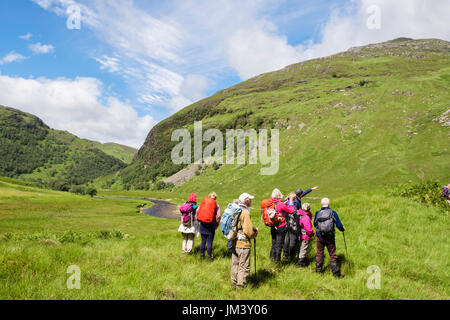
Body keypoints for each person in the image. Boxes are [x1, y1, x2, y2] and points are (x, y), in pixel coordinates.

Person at [282, 186, 319, 262]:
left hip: (288, 223)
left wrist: (312, 189)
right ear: (300, 194)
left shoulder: (294, 198)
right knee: (292, 239)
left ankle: (285, 254)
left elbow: (304, 193)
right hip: (294, 221)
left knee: (287, 238)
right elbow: (296, 211)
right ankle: (291, 256)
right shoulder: (297, 202)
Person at [231, 193, 258, 288]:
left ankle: (234, 282)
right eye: (250, 199)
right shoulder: (245, 212)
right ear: (246, 201)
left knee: (235, 263)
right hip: (243, 243)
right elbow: (248, 231)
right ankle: (241, 285)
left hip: (234, 241)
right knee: (244, 265)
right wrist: (254, 234)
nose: (251, 201)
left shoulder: (235, 210)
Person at [314, 197, 345, 278]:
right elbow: (338, 225)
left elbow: (315, 224)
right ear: (329, 204)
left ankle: (318, 271)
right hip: (330, 237)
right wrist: (342, 229)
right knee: (332, 254)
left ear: (321, 204)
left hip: (319, 236)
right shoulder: (333, 213)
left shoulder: (318, 213)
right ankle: (336, 274)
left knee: (319, 252)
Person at [268, 188, 296, 266]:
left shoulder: (270, 203)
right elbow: (291, 211)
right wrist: (290, 201)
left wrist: (283, 203)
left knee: (274, 242)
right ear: (279, 195)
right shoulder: (280, 204)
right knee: (279, 244)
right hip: (280, 226)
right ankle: (277, 263)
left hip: (273, 225)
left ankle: (272, 259)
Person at [198, 192, 221, 260]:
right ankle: (209, 257)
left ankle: (201, 256)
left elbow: (197, 211)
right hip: (211, 225)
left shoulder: (204, 203)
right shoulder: (216, 205)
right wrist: (217, 224)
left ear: (208, 196)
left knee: (203, 241)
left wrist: (199, 219)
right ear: (215, 198)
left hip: (202, 224)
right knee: (209, 242)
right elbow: (219, 216)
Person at [297, 203, 315, 267]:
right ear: (308, 209)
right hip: (305, 235)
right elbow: (308, 229)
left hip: (298, 233)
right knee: (303, 248)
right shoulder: (306, 217)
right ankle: (301, 263)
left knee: (301, 248)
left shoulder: (299, 213)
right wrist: (312, 233)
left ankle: (299, 260)